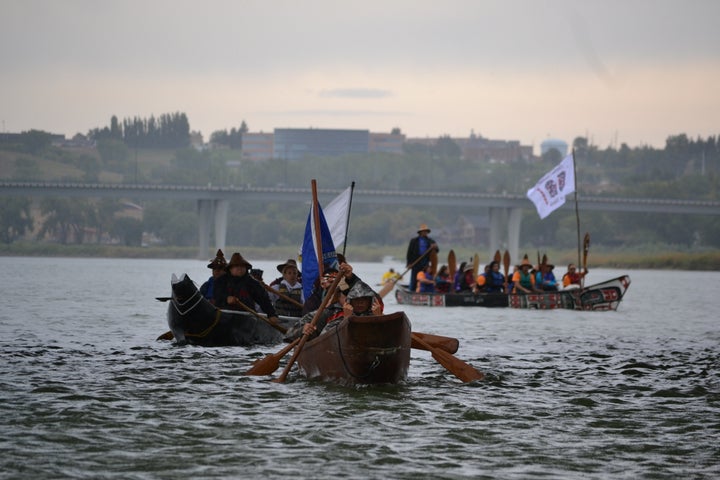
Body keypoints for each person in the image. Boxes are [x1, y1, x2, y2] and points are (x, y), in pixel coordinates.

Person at [213, 252, 280, 325]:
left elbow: (264, 299)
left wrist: (272, 315)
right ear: (230, 269)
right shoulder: (221, 281)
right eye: (236, 266)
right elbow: (217, 295)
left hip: (247, 318)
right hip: (224, 316)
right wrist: (226, 299)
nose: (240, 268)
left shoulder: (252, 283)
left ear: (246, 268)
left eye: (242, 266)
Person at [406, 224, 438, 293]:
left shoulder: (430, 241)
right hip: (415, 262)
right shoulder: (414, 241)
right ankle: (412, 290)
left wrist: (435, 247)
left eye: (426, 231)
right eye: (423, 231)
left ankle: (423, 291)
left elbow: (437, 251)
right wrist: (409, 263)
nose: (425, 233)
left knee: (423, 277)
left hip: (425, 262)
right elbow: (409, 253)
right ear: (420, 232)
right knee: (414, 277)